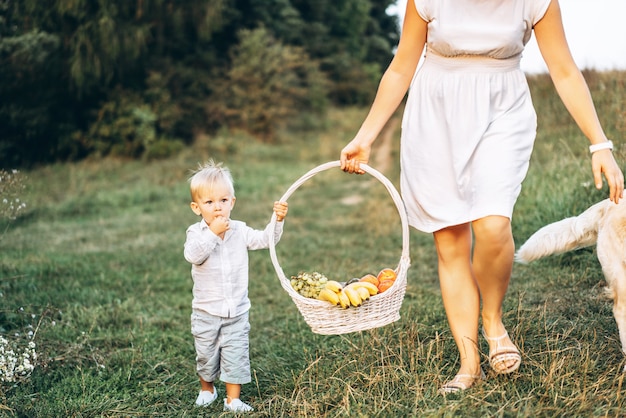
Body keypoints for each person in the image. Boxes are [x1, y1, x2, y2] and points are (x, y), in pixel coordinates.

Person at [340, 0, 624, 394]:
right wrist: (365, 136)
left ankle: (492, 319)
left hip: (503, 109)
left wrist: (600, 144)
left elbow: (564, 71)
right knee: (450, 239)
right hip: (435, 113)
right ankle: (469, 360)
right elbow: (402, 66)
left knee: (493, 224)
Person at [183, 160, 288, 411]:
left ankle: (233, 399)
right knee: (206, 354)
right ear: (197, 208)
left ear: (233, 202)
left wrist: (278, 219)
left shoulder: (239, 230)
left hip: (237, 311)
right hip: (206, 312)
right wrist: (213, 233)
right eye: (209, 203)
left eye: (223, 200)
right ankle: (207, 389)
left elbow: (266, 239)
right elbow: (193, 255)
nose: (217, 208)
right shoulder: (196, 233)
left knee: (236, 354)